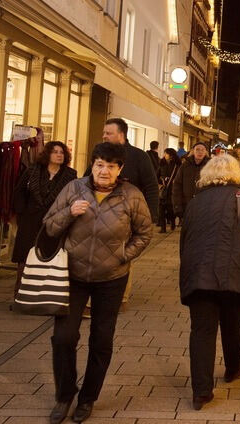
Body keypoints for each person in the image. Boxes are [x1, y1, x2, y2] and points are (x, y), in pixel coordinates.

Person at [44, 142, 154, 424]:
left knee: (101, 339)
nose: (104, 171)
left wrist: (123, 256)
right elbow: (49, 225)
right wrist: (70, 212)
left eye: (111, 166)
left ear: (120, 169)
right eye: (99, 165)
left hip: (111, 278)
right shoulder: (74, 189)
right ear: (92, 165)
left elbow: (144, 232)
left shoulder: (131, 195)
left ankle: (87, 398)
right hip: (74, 275)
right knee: (63, 337)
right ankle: (65, 394)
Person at [180, 153, 240, 410]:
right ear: (236, 173)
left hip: (199, 275)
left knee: (202, 332)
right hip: (235, 272)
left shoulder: (196, 202)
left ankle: (201, 392)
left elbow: (185, 238)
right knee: (233, 325)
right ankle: (232, 368)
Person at [11, 141, 77, 296]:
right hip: (30, 220)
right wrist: (21, 214)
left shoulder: (70, 175)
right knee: (26, 257)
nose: (59, 155)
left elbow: (73, 197)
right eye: (55, 152)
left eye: (62, 152)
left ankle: (45, 294)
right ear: (48, 154)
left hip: (55, 222)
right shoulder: (33, 171)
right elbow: (19, 192)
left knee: (50, 257)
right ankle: (20, 294)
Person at [96, 118, 160, 223]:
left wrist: (150, 216)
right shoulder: (99, 155)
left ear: (121, 135)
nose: (104, 136)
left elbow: (151, 187)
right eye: (104, 133)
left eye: (108, 133)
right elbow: (87, 181)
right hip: (101, 217)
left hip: (129, 218)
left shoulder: (139, 156)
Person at [172, 143, 210, 220]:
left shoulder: (210, 166)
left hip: (205, 207)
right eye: (197, 149)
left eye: (202, 150)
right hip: (187, 206)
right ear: (193, 151)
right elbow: (177, 186)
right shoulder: (185, 165)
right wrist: (177, 206)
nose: (200, 152)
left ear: (206, 152)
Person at [158, 148, 180, 233]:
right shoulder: (162, 163)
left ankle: (173, 221)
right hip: (164, 190)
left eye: (166, 153)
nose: (164, 155)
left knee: (171, 209)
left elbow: (179, 177)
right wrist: (161, 180)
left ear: (171, 155)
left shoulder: (176, 165)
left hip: (172, 190)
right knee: (161, 209)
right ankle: (163, 228)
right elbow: (157, 174)